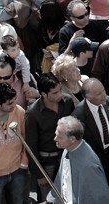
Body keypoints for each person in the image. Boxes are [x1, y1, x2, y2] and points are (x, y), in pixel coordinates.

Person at [25, 74, 75, 202]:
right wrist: (39, 174)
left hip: (67, 156)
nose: (59, 94)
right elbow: (31, 145)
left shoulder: (68, 102)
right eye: (55, 93)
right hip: (47, 162)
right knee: (48, 198)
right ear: (43, 94)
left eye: (60, 90)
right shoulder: (33, 113)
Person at [48, 116, 109, 203]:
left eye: (59, 137)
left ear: (72, 139)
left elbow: (98, 197)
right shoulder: (68, 149)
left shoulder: (89, 166)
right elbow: (61, 177)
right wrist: (52, 196)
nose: (55, 139)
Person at [70, 78, 109, 187]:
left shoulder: (107, 101)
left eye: (104, 90)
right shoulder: (78, 116)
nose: (104, 95)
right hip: (93, 160)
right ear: (89, 97)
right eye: (99, 93)